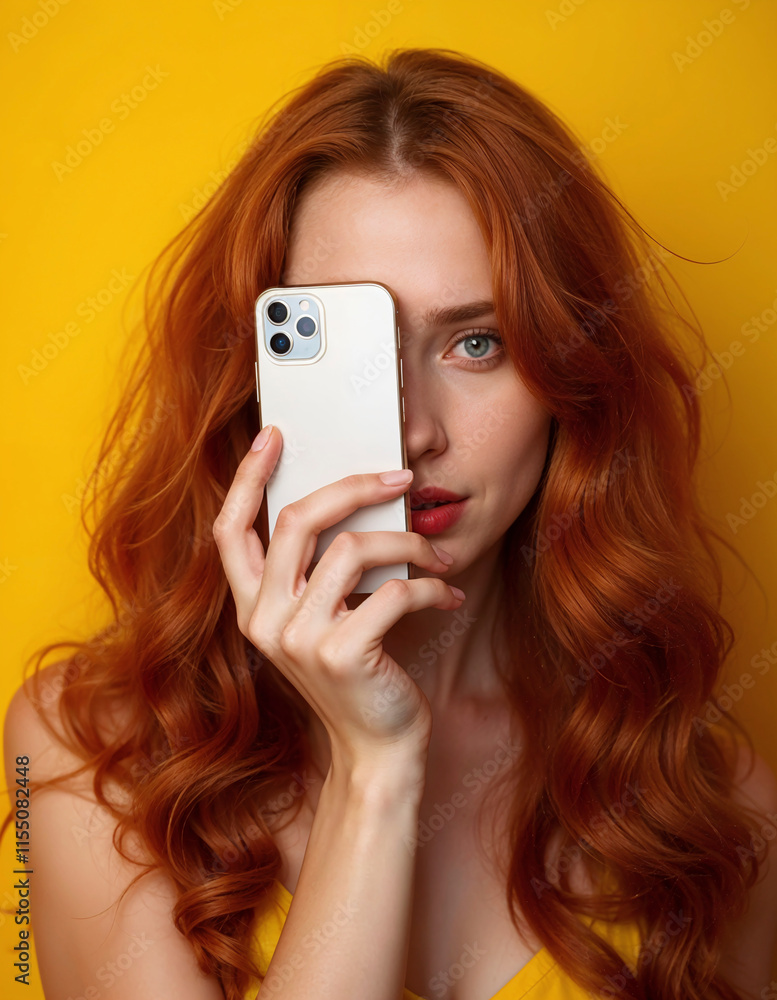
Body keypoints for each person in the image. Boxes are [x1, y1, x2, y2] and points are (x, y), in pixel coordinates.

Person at [4, 46, 777, 1000]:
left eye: (478, 342)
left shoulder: (714, 811)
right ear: (251, 379)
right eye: (352, 349)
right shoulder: (87, 753)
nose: (412, 428)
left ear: (570, 376)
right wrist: (374, 769)